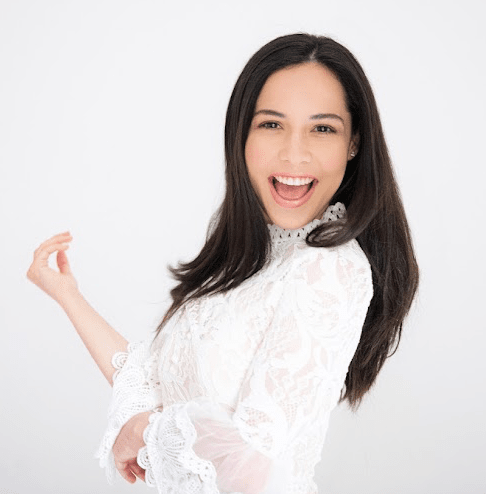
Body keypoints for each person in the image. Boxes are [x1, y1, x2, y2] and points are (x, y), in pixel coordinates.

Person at [26, 33, 419, 494]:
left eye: (322, 129)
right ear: (241, 135)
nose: (294, 153)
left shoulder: (329, 268)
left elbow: (253, 462)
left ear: (354, 143)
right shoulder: (256, 257)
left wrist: (148, 430)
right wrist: (67, 295)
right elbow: (150, 380)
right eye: (271, 124)